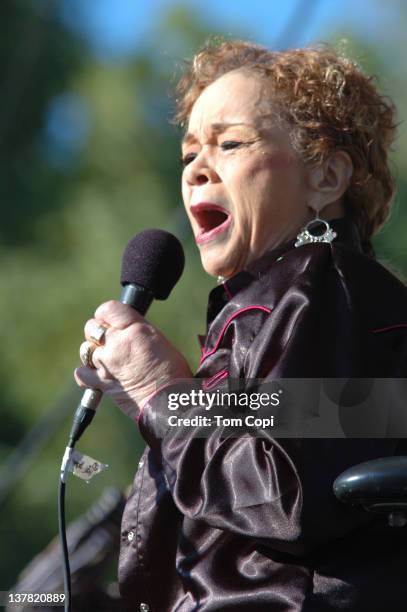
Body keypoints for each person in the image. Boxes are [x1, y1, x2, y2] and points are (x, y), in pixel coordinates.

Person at [75, 40, 407, 611]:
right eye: (187, 155)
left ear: (326, 177)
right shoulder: (284, 301)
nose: (196, 169)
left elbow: (287, 491)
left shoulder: (334, 292)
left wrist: (164, 396)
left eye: (230, 143)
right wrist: (155, 402)